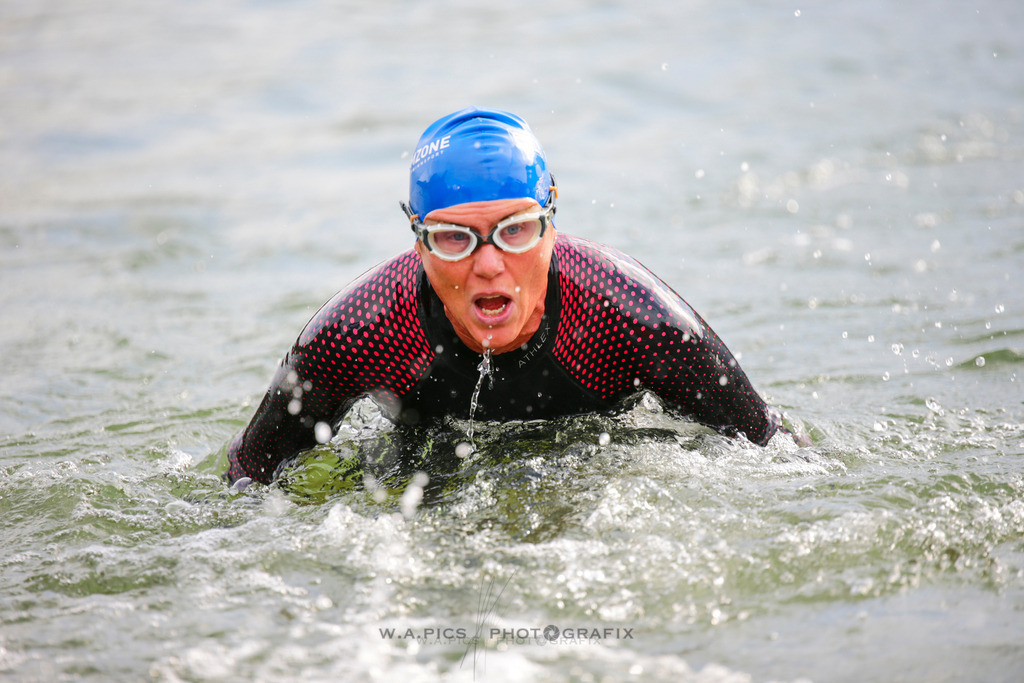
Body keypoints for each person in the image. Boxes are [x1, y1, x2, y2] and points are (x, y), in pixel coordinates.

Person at [226, 107, 790, 485]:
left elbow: (781, 456)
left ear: (550, 223)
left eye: (515, 229)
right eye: (454, 237)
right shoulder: (362, 333)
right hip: (424, 473)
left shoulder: (627, 316)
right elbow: (244, 484)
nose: (490, 264)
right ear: (418, 240)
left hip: (602, 468)